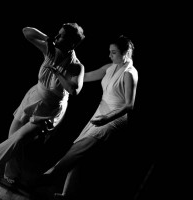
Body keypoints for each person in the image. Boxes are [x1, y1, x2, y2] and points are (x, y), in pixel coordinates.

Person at [0, 23, 86, 188]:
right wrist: (48, 39)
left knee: (19, 138)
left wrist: (58, 72)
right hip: (33, 97)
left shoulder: (76, 66)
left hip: (50, 109)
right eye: (58, 34)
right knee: (13, 137)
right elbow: (27, 32)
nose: (57, 37)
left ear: (72, 43)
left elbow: (74, 90)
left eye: (61, 36)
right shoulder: (50, 50)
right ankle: (12, 175)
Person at [39, 35, 138, 200]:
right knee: (80, 153)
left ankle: (49, 175)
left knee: (78, 149)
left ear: (125, 53)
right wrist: (63, 70)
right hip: (100, 113)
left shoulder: (130, 73)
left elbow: (129, 105)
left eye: (113, 52)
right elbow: (84, 77)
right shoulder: (110, 67)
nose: (110, 55)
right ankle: (67, 194)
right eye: (110, 52)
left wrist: (107, 119)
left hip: (114, 119)